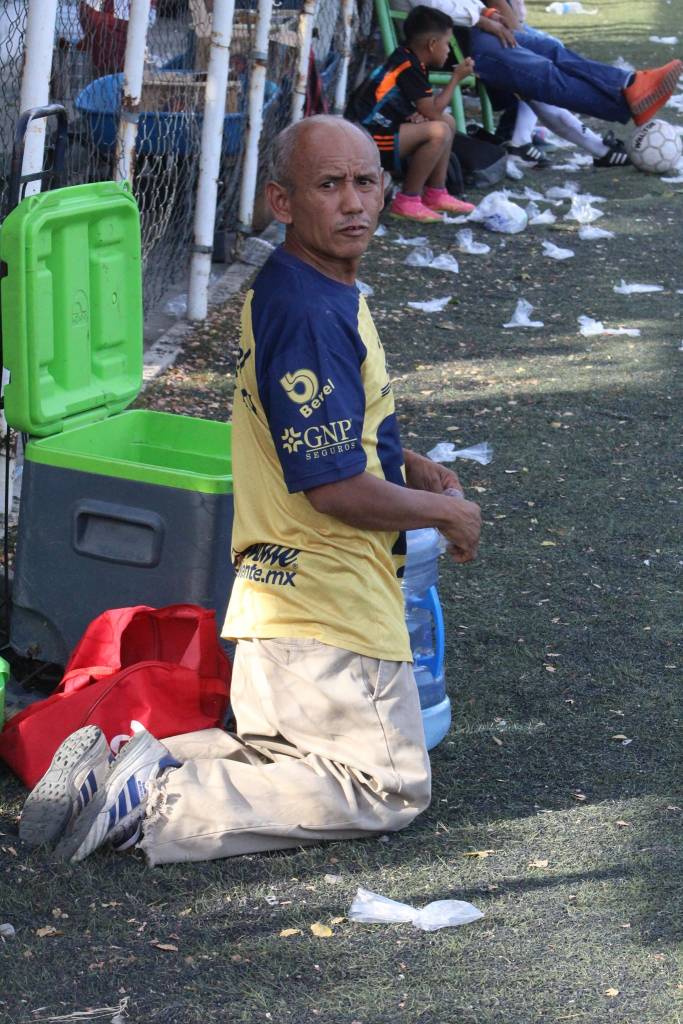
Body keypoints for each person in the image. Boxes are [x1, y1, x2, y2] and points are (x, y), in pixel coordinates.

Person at [20, 115, 482, 867]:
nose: (354, 202)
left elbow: (318, 425)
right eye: (328, 185)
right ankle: (156, 798)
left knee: (279, 758)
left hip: (273, 598)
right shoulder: (309, 311)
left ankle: (118, 768)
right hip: (329, 603)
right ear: (282, 200)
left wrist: (407, 460)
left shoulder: (304, 286)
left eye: (365, 182)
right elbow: (333, 487)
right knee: (385, 787)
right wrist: (448, 513)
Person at [405, 0, 682, 132]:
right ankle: (627, 103)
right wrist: (482, 18)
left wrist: (484, 12)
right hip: (448, 43)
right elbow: (432, 5)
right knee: (542, 72)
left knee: (552, 50)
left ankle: (629, 84)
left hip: (470, 30)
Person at [351, 6, 478, 223]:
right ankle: (407, 200)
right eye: (447, 43)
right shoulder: (408, 65)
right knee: (438, 130)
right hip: (366, 139)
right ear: (432, 44)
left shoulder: (409, 59)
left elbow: (423, 108)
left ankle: (436, 193)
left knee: (447, 121)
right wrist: (455, 79)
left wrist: (414, 113)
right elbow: (433, 111)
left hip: (377, 129)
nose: (448, 50)